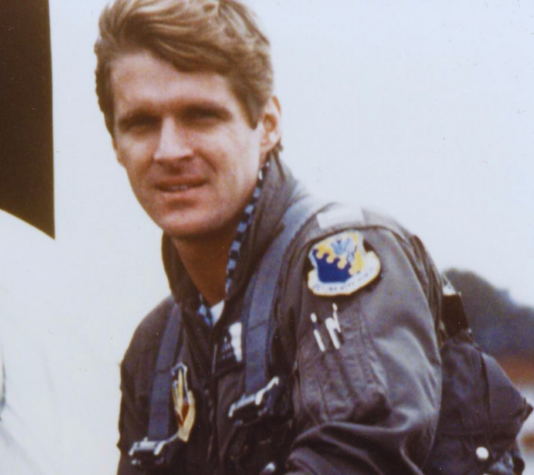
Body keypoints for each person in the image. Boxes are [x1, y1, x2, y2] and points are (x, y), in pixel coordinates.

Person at [94, 1, 446, 473]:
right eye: (141, 123)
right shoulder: (155, 349)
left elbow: (361, 458)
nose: (169, 150)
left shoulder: (341, 262)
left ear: (268, 125)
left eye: (201, 116)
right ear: (116, 143)